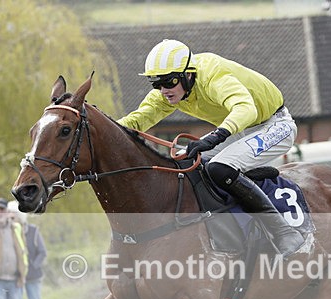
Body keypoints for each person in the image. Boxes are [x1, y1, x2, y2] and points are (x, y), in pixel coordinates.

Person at [117, 39, 305, 257]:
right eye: (156, 84)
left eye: (168, 82)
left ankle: (282, 232)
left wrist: (216, 136)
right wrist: (97, 124)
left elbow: (245, 108)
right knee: (182, 162)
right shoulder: (167, 92)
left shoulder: (212, 73)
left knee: (219, 168)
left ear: (188, 74)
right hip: (241, 129)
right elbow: (138, 119)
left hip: (274, 124)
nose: (163, 90)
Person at [7, 200, 47, 299]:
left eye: (13, 214)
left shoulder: (33, 231)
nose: (10, 216)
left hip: (33, 277)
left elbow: (42, 252)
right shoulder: (8, 233)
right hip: (16, 277)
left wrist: (33, 266)